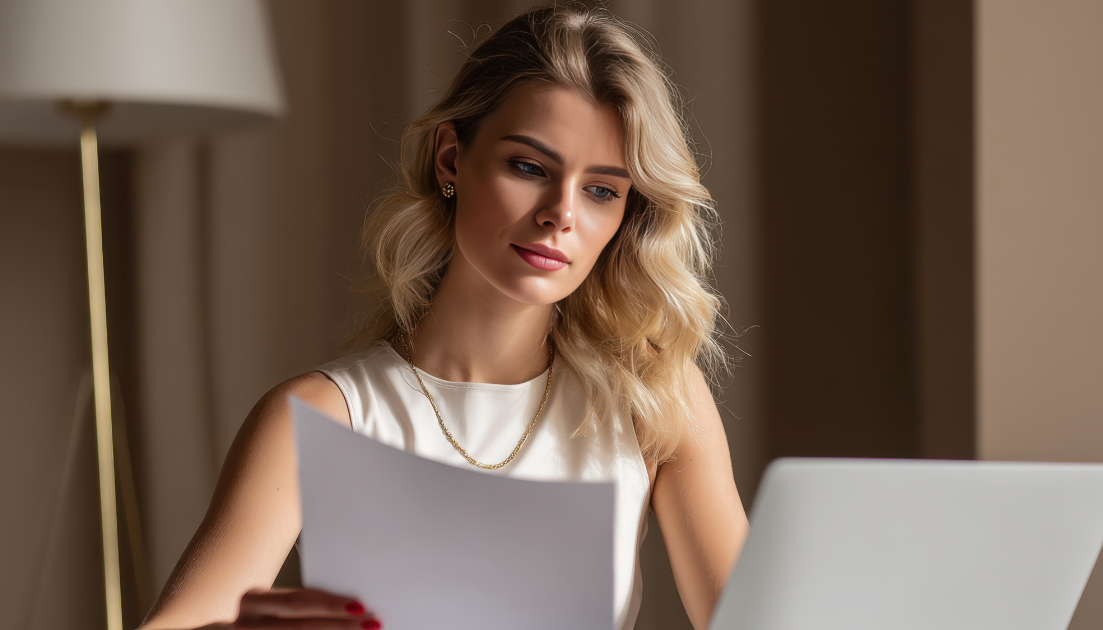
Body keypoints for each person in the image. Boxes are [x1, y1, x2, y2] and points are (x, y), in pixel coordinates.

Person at [139, 4, 748, 630]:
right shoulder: (321, 416)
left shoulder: (652, 399)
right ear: (451, 159)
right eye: (530, 167)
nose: (560, 214)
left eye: (601, 190)